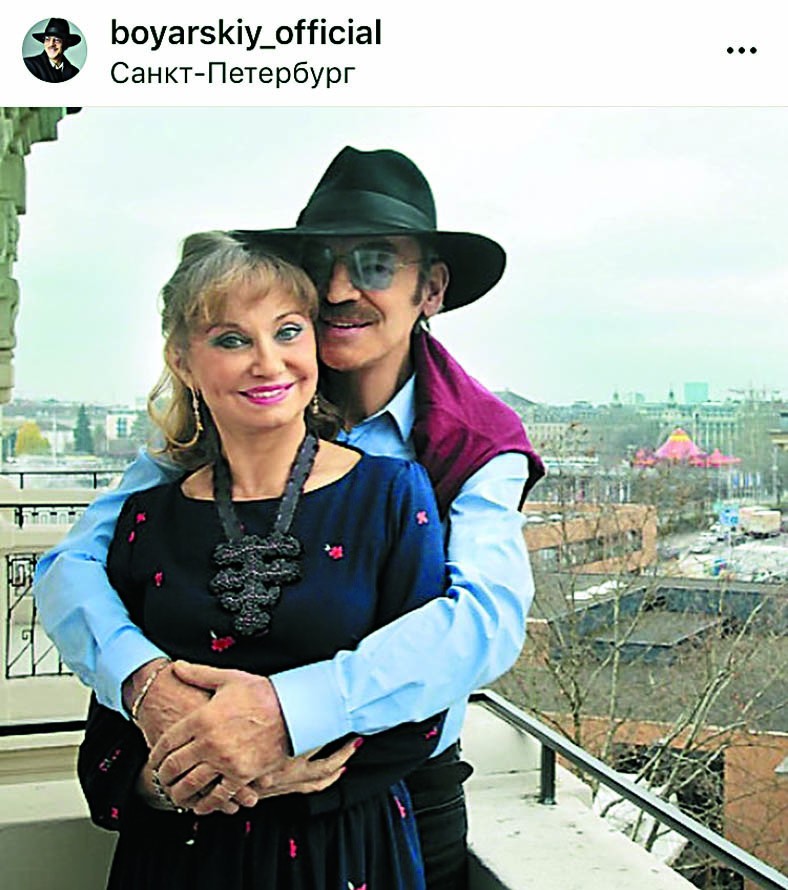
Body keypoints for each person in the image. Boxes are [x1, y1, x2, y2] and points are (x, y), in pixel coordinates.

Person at [34, 146, 545, 889]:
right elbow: (76, 563)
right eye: (321, 262)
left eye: (374, 264)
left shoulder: (471, 438)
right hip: (197, 810)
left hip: (389, 798)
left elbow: (484, 622)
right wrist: (145, 684)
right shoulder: (250, 402)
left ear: (431, 289)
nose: (338, 289)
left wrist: (288, 714)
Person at [78, 231, 448, 889]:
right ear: (183, 360)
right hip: (181, 857)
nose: (267, 362)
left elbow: (421, 707)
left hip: (343, 858)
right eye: (231, 339)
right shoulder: (145, 521)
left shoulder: (390, 496)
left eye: (287, 331)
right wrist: (173, 783)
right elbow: (107, 740)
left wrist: (269, 763)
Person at [24, 17, 81, 82]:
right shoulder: (29, 65)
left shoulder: (74, 72)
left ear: (66, 44)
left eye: (57, 40)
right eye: (47, 39)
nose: (51, 44)